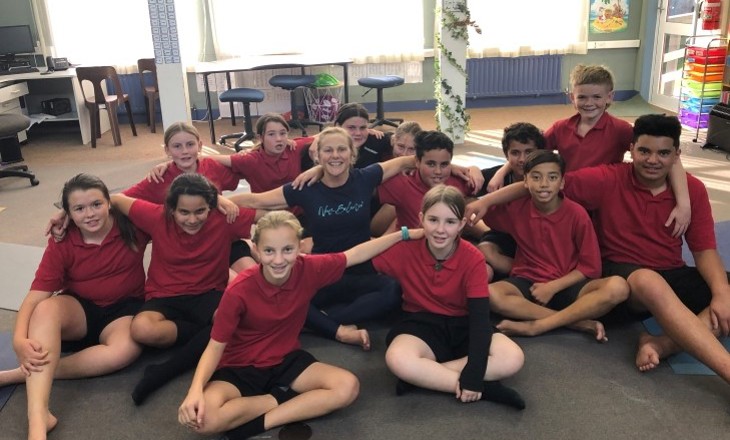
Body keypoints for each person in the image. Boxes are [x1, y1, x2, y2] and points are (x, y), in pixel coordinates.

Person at [468, 114, 730, 383]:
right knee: (648, 279)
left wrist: (721, 295)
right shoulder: (607, 178)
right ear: (631, 150)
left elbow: (704, 250)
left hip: (671, 272)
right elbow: (541, 184)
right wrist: (486, 201)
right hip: (622, 275)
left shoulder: (693, 190)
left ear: (677, 155)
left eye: (663, 153)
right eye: (644, 151)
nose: (653, 160)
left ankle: (662, 345)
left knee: (726, 294)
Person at [178, 211, 420, 440]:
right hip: (240, 366)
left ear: (300, 248)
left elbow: (355, 254)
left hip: (285, 360)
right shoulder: (239, 290)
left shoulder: (308, 268)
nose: (279, 259)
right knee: (203, 420)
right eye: (269, 251)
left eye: (288, 250)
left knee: (347, 386)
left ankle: (264, 421)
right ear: (257, 251)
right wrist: (195, 390)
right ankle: (282, 398)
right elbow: (215, 346)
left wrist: (403, 234)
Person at [229, 127, 414, 349]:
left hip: (360, 267)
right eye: (328, 150)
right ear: (318, 155)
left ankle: (321, 321)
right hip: (321, 271)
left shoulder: (366, 177)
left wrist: (462, 169)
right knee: (284, 296)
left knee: (393, 291)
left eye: (341, 149)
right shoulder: (305, 187)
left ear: (352, 154)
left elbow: (408, 161)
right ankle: (332, 325)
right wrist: (217, 200)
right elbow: (255, 201)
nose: (335, 155)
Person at [1, 174, 149, 440]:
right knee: (45, 310)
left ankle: (19, 375)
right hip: (79, 309)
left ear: (109, 203)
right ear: (66, 213)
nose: (89, 214)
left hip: (124, 311)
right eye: (79, 209)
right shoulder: (63, 240)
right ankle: (38, 418)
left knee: (124, 350)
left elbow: (170, 197)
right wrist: (18, 341)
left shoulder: (132, 224)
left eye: (96, 204)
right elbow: (35, 297)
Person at [486, 65, 691, 237]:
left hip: (602, 202)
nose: (589, 103)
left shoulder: (620, 129)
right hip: (566, 196)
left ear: (609, 97)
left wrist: (684, 204)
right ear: (571, 97)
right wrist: (501, 172)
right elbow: (530, 155)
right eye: (582, 97)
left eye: (596, 97)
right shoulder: (561, 127)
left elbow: (670, 157)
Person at [109, 173, 259, 405]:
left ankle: (164, 370)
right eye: (184, 212)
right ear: (171, 209)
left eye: (200, 211)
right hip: (164, 295)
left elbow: (271, 211)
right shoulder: (156, 216)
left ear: (210, 207)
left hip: (209, 294)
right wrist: (65, 212)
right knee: (141, 330)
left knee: (237, 318)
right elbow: (116, 199)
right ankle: (205, 333)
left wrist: (228, 201)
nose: (192, 219)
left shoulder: (223, 218)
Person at [371, 185, 525, 408]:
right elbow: (358, 261)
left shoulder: (472, 258)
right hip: (421, 323)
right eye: (433, 220)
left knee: (513, 357)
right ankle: (484, 388)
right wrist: (401, 235)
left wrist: (473, 370)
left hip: (464, 324)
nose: (440, 229)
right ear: (421, 219)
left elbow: (480, 321)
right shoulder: (405, 248)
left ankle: (425, 378)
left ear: (462, 224)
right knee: (397, 358)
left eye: (450, 222)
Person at [482, 150, 628, 340]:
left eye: (552, 178)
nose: (544, 184)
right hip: (528, 282)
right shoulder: (516, 208)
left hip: (567, 284)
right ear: (525, 182)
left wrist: (551, 287)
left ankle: (537, 326)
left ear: (562, 182)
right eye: (536, 177)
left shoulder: (577, 214)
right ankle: (576, 322)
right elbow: (485, 210)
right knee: (490, 293)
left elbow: (591, 267)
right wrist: (483, 200)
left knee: (619, 287)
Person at [377, 130, 488, 239]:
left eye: (444, 164)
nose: (438, 171)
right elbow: (364, 178)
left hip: (447, 248)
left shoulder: (459, 179)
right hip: (411, 248)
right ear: (417, 162)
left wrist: (474, 169)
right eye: (431, 164)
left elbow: (493, 187)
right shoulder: (402, 183)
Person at [476, 122, 545, 279]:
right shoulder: (495, 177)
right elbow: (463, 183)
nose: (522, 159)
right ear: (507, 155)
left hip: (538, 238)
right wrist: (473, 169)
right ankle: (529, 275)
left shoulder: (547, 179)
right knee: (485, 250)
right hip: (505, 236)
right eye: (515, 153)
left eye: (528, 152)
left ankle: (538, 273)